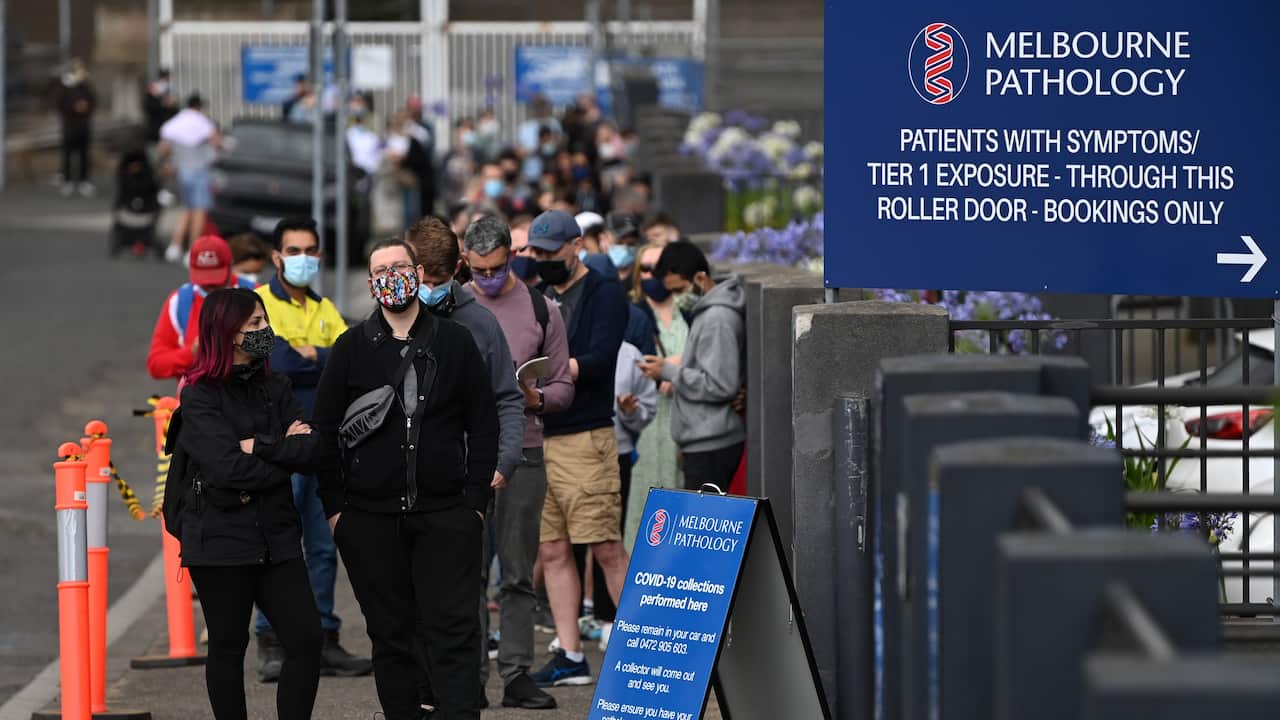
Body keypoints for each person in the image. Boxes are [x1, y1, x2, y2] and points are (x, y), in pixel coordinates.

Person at [313, 239, 499, 720]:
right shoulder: (351, 348)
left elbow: (483, 423)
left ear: (417, 272)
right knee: (390, 636)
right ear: (371, 282)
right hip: (370, 520)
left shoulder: (455, 342)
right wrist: (336, 510)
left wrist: (475, 504)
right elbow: (326, 431)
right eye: (380, 270)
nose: (391, 276)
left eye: (399, 266)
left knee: (454, 632)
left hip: (446, 515)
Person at [172, 287, 323, 720]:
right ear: (228, 334)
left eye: (264, 322)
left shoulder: (276, 386)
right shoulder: (199, 396)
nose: (265, 331)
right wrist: (283, 456)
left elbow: (312, 449)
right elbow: (227, 470)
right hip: (219, 539)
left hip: (275, 536)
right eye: (255, 324)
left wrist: (259, 445)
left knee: (305, 638)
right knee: (227, 645)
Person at [252, 218, 371, 683]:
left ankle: (323, 638)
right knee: (277, 545)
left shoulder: (325, 308)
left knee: (322, 548)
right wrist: (312, 357)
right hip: (280, 445)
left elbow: (350, 363)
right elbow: (272, 362)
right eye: (294, 250)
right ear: (277, 257)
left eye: (312, 250)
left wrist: (312, 356)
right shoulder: (257, 305)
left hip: (324, 446)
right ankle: (271, 641)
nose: (304, 258)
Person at [462, 216, 573, 709]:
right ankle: (468, 675)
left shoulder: (540, 308)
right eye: (479, 269)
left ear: (513, 256)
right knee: (466, 570)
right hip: (465, 454)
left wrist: (535, 397)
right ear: (465, 261)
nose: (488, 277)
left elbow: (565, 388)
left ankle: (515, 673)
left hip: (525, 449)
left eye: (497, 267)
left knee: (516, 572)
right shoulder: (453, 307)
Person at [523, 210, 630, 687]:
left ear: (575, 246)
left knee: (605, 546)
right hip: (542, 434)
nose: (542, 261)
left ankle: (641, 651)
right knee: (551, 549)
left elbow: (602, 359)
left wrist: (544, 372)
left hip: (586, 437)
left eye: (549, 253)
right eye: (535, 253)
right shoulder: (539, 296)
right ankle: (570, 653)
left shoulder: (605, 292)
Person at [638, 243, 746, 491]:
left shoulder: (717, 318)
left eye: (679, 290)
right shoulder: (707, 313)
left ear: (700, 278)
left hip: (713, 444)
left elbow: (720, 385)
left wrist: (667, 371)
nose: (676, 299)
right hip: (703, 440)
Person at [622, 244, 689, 550]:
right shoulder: (629, 314)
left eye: (659, 268)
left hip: (685, 422)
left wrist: (675, 367)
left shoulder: (691, 309)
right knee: (640, 511)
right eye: (645, 269)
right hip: (643, 426)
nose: (652, 275)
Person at [147, 235, 256, 383]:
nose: (210, 286)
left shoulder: (256, 296)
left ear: (231, 265)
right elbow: (156, 365)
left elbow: (277, 356)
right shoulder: (179, 301)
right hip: (197, 400)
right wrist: (192, 353)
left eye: (216, 279)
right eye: (204, 279)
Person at [159, 94, 222, 263]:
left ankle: (174, 246)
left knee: (187, 210)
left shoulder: (175, 122)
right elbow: (217, 141)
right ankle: (192, 251)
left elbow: (163, 148)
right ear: (199, 106)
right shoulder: (202, 122)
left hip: (182, 172)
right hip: (199, 171)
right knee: (199, 212)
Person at [56, 59, 97, 197]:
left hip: (83, 127)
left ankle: (83, 181)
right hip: (69, 127)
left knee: (84, 155)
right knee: (68, 155)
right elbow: (60, 105)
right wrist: (74, 107)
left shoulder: (85, 86)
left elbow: (93, 101)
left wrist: (87, 107)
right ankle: (67, 180)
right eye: (78, 70)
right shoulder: (65, 87)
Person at [601, 212, 643, 282]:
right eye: (619, 243)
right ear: (603, 238)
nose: (625, 248)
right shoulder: (594, 275)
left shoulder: (643, 276)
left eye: (631, 244)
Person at [143, 68, 178, 145]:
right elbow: (152, 107)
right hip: (157, 128)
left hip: (164, 127)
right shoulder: (153, 96)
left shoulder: (167, 89)